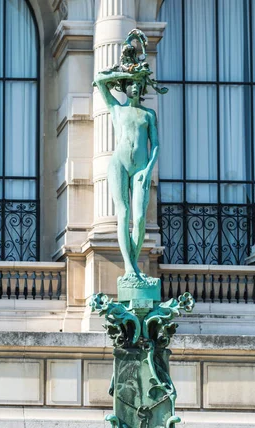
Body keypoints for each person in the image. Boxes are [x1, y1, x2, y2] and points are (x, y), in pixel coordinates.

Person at [94, 70, 159, 277]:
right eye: (131, 84)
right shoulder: (116, 109)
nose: (135, 87)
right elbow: (99, 81)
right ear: (125, 87)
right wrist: (124, 72)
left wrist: (148, 170)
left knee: (139, 218)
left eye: (138, 84)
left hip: (141, 168)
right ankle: (130, 267)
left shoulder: (148, 114)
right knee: (123, 213)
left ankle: (133, 260)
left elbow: (155, 145)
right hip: (118, 164)